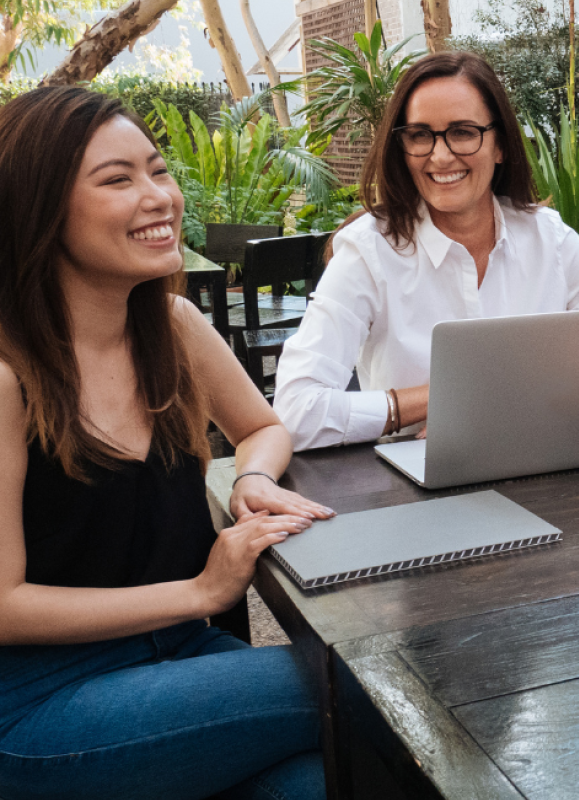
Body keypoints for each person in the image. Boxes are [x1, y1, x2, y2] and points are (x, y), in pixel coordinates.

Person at [0, 88, 334, 799]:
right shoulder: (7, 377)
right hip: (38, 700)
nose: (158, 197)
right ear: (37, 208)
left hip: (181, 661)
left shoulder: (172, 324)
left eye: (158, 170)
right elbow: (4, 604)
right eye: (117, 180)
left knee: (324, 782)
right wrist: (200, 590)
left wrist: (253, 481)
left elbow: (263, 426)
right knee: (361, 682)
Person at [275, 52, 579, 450]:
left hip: (542, 465)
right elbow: (294, 411)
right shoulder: (368, 251)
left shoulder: (551, 240)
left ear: (500, 145)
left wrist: (506, 403)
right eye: (420, 135)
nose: (440, 156)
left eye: (462, 132)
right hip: (416, 489)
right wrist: (439, 399)